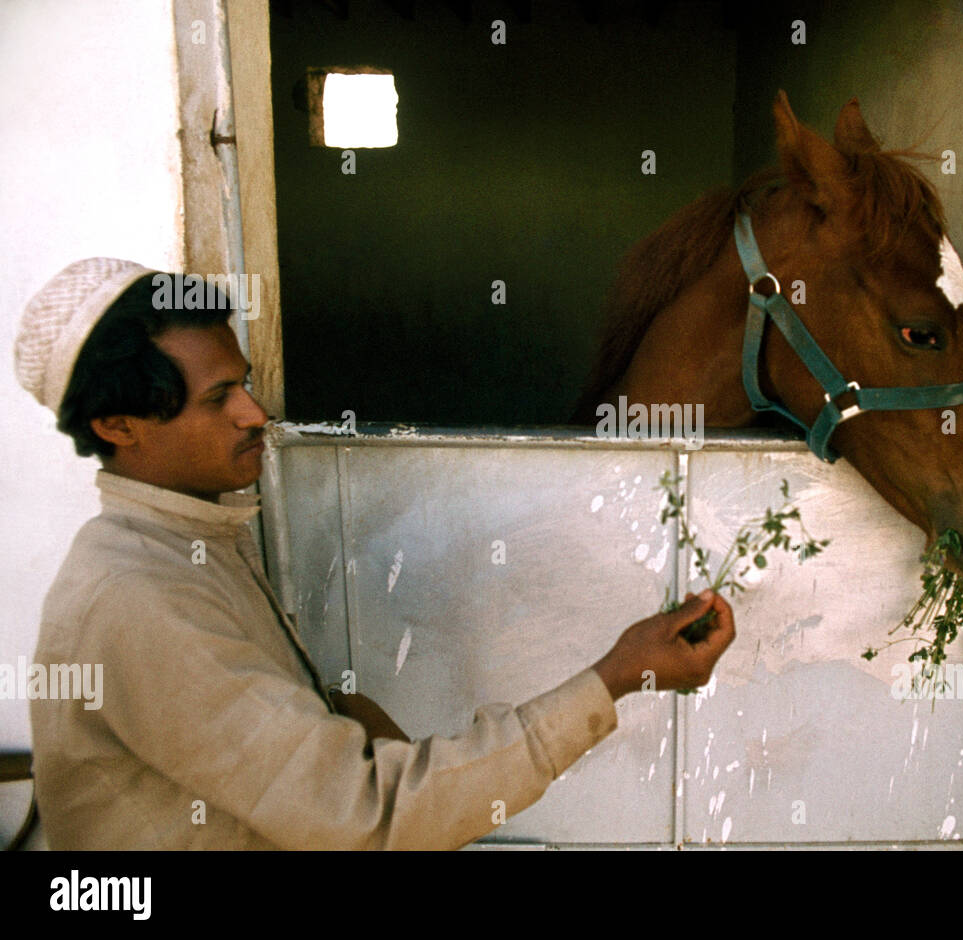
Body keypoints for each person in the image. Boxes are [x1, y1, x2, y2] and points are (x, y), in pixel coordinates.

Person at [14, 257, 736, 849]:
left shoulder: (192, 542)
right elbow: (363, 817)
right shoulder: (138, 595)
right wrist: (612, 678)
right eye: (217, 399)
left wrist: (338, 712)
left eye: (246, 384)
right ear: (119, 424)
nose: (254, 414)